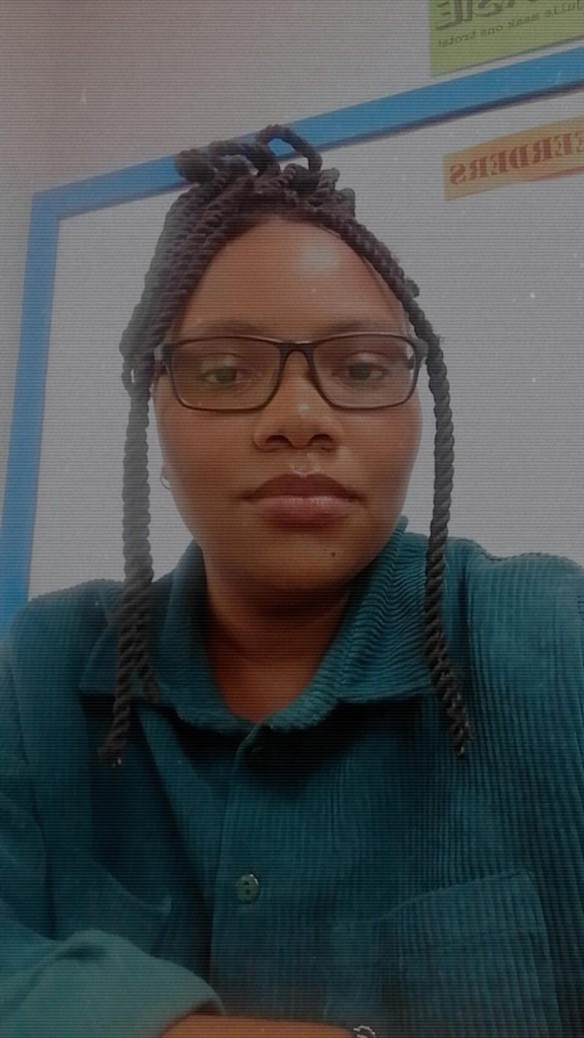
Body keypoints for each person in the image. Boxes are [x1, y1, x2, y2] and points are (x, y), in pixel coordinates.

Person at [0, 124, 582, 1038]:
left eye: (362, 368)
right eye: (226, 371)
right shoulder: (39, 671)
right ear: (154, 414)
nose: (299, 418)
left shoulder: (558, 645)